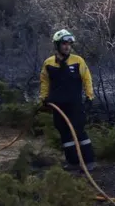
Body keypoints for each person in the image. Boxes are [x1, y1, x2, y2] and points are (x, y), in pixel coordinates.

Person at [39, 29, 97, 172]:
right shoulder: (49, 63)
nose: (67, 46)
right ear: (57, 45)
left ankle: (89, 161)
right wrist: (44, 99)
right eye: (64, 43)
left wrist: (90, 97)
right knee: (64, 133)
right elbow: (45, 82)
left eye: (69, 44)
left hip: (74, 104)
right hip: (57, 105)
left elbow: (87, 79)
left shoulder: (78, 61)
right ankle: (73, 162)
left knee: (79, 131)